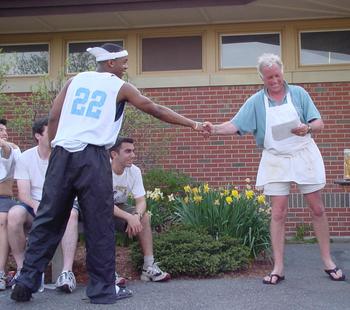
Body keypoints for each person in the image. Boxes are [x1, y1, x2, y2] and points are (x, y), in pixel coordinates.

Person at [11, 43, 206, 304]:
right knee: (99, 224)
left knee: (47, 219)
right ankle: (102, 290)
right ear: (111, 63)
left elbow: (54, 115)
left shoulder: (75, 80)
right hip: (91, 157)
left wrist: (59, 146)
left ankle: (25, 282)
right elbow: (153, 108)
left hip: (62, 155)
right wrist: (192, 123)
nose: (127, 66)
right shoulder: (119, 86)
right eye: (124, 61)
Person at [203, 53, 345, 285]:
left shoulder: (299, 93)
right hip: (275, 159)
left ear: (282, 72)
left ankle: (328, 260)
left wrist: (306, 128)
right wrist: (214, 129)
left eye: (277, 75)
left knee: (317, 208)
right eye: (269, 77)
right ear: (262, 77)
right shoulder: (256, 101)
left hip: (304, 154)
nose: (274, 80)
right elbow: (235, 125)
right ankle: (278, 267)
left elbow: (318, 122)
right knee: (278, 212)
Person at [7, 117, 79, 293]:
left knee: (71, 213)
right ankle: (24, 271)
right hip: (34, 206)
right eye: (50, 132)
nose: (55, 136)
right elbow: (23, 194)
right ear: (38, 135)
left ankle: (66, 273)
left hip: (61, 206)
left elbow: (70, 189)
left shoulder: (64, 157)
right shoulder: (25, 158)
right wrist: (38, 205)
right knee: (14, 214)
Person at [110, 137, 170, 283]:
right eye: (128, 151)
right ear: (114, 154)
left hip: (119, 207)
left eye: (133, 151)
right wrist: (129, 217)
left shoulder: (134, 171)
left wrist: (136, 216)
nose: (133, 155)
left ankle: (148, 267)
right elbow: (103, 204)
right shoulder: (103, 169)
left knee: (144, 217)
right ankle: (108, 270)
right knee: (104, 216)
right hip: (96, 208)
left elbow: (141, 200)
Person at [0, 119, 21, 290]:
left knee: (2, 219)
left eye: (5, 131)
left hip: (3, 198)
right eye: (1, 130)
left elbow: (8, 168)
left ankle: (1, 272)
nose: (5, 134)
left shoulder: (13, 149)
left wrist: (5, 148)